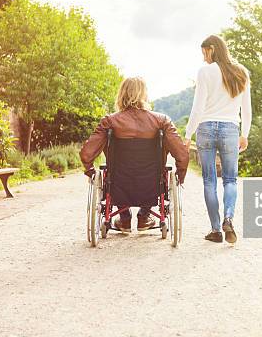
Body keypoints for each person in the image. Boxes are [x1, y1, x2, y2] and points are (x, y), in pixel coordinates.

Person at [80, 77, 189, 233]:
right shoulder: (161, 121)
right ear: (144, 95)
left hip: (118, 182)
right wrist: (181, 175)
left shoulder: (110, 121)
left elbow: (86, 154)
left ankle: (124, 218)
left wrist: (90, 171)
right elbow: (182, 156)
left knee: (115, 178)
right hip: (151, 183)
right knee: (156, 177)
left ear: (121, 94)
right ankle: (144, 216)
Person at [184, 34, 252, 244]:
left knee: (209, 181)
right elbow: (246, 108)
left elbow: (198, 107)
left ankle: (215, 230)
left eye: (205, 52)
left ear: (212, 48)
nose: (204, 57)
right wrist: (245, 134)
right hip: (230, 129)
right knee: (230, 179)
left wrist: (188, 134)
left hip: (205, 128)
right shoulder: (241, 72)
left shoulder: (205, 71)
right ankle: (228, 219)